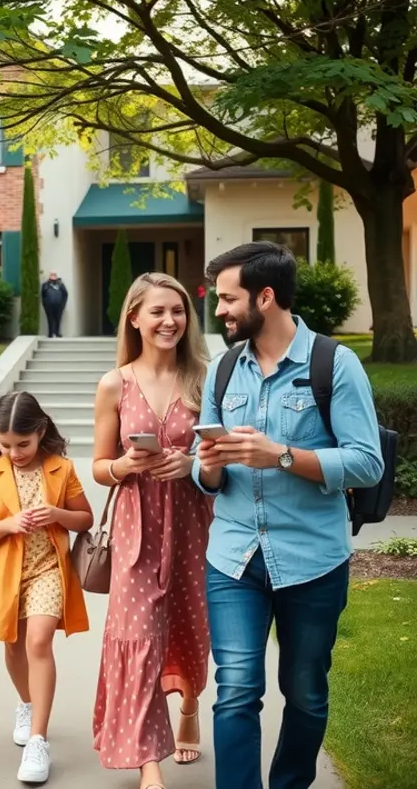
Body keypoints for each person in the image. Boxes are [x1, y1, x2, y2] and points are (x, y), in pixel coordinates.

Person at [193, 241, 384, 789]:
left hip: (312, 561)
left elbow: (366, 462)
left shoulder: (333, 363)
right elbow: (205, 473)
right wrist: (206, 466)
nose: (220, 309)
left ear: (266, 296)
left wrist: (278, 454)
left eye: (229, 298)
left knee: (304, 692)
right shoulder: (224, 368)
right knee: (235, 691)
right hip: (233, 559)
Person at [91, 272, 213, 789]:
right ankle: (147, 764)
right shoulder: (115, 383)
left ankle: (188, 704)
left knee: (191, 624)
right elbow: (98, 466)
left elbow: (220, 459)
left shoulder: (206, 378)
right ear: (135, 318)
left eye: (178, 311)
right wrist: (125, 465)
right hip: (136, 527)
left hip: (193, 523)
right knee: (137, 637)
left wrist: (192, 464)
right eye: (158, 312)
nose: (169, 321)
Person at [0, 391, 94, 783]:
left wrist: (57, 514)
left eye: (22, 444)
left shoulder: (61, 468)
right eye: (5, 444)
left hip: (49, 570)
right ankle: (26, 703)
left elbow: (84, 520)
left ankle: (38, 739)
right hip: (9, 573)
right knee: (13, 645)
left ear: (40, 432)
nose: (14, 452)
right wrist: (10, 524)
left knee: (38, 642)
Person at [41, 271, 68, 338]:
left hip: (59, 305)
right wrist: (45, 304)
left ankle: (57, 332)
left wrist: (63, 304)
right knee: (50, 319)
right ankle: (50, 333)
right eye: (51, 277)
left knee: (58, 319)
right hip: (49, 306)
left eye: (54, 276)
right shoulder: (45, 285)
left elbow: (65, 294)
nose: (53, 279)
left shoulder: (61, 285)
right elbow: (43, 295)